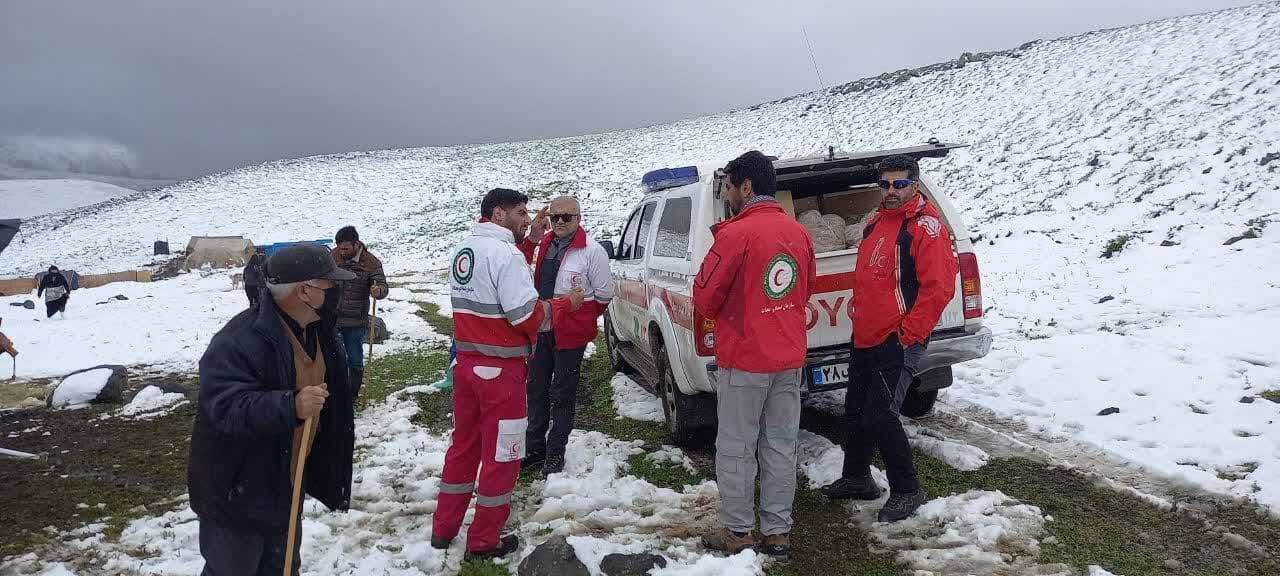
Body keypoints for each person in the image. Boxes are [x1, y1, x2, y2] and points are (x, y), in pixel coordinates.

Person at [431, 188, 583, 560]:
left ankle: (443, 528)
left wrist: (529, 243)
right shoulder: (504, 255)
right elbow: (526, 316)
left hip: (466, 365)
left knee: (463, 447)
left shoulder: (465, 249)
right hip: (500, 372)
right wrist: (565, 305)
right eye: (520, 211)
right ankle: (484, 539)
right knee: (503, 455)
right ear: (498, 214)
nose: (527, 217)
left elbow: (496, 283)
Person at [187, 244, 357, 576]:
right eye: (329, 284)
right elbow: (226, 407)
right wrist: (290, 405)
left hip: (285, 484)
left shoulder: (320, 332)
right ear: (305, 291)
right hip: (236, 493)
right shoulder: (239, 339)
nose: (336, 290)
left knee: (281, 570)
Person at [692, 151, 816, 560]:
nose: (726, 193)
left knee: (735, 447)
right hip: (788, 358)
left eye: (727, 186)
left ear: (746, 187)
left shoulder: (734, 235)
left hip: (745, 359)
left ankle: (738, 530)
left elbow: (705, 298)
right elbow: (805, 288)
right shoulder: (797, 232)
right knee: (781, 444)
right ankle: (778, 533)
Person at [820, 154, 957, 523]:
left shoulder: (924, 228)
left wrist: (909, 334)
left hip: (897, 339)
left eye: (899, 184)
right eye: (885, 184)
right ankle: (856, 477)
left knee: (882, 415)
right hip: (865, 336)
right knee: (855, 412)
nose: (891, 191)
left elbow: (938, 288)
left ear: (914, 184)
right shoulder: (876, 223)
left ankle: (907, 489)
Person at [520, 196, 614, 476]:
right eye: (555, 217)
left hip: (570, 334)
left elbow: (604, 295)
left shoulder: (592, 251)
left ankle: (555, 451)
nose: (560, 222)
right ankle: (534, 448)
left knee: (562, 393)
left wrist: (578, 317)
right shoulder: (545, 243)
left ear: (579, 219)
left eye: (567, 217)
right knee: (535, 389)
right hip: (542, 328)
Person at [331, 226, 389, 399]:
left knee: (354, 360)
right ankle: (334, 396)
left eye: (346, 248)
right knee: (333, 360)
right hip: (332, 319)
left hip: (356, 321)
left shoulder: (371, 262)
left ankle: (351, 396)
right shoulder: (332, 257)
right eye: (339, 247)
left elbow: (383, 286)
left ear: (356, 244)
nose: (342, 252)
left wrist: (379, 291)